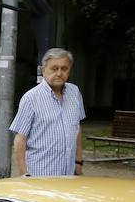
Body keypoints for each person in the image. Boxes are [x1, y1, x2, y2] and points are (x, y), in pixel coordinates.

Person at [11, 48, 86, 178]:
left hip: (69, 175)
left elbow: (77, 129)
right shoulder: (31, 98)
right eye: (54, 68)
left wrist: (78, 162)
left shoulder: (74, 93)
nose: (59, 73)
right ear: (43, 69)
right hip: (40, 176)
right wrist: (24, 174)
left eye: (64, 68)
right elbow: (20, 139)